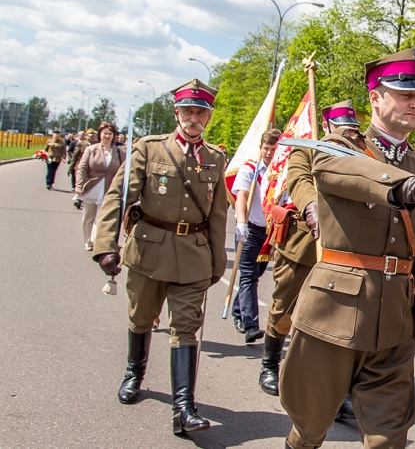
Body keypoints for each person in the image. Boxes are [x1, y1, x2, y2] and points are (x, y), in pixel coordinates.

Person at [278, 48, 415, 449]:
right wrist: (407, 187)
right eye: (404, 94)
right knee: (310, 428)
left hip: (394, 326)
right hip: (333, 317)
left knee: (389, 438)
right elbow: (340, 172)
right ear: (375, 98)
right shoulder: (339, 148)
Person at [92, 78, 227, 435]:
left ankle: (184, 407)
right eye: (188, 111)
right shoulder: (149, 149)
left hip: (194, 257)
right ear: (176, 112)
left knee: (186, 328)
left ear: (209, 117)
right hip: (149, 251)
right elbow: (118, 198)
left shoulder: (216, 158)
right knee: (141, 318)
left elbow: (217, 215)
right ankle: (134, 373)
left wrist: (217, 262)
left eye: (201, 112)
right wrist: (106, 245)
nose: (194, 118)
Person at [258, 100, 359, 424]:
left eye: (353, 129)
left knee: (338, 321)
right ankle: (270, 364)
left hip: (344, 250)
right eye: (342, 129)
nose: (348, 134)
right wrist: (312, 206)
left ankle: (338, 393)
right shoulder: (307, 149)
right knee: (284, 309)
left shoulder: (362, 154)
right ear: (328, 127)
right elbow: (298, 180)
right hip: (304, 243)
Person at [230, 129, 280, 344]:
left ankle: (238, 310)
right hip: (249, 229)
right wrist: (241, 222)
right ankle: (251, 325)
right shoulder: (250, 169)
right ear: (261, 148)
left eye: (273, 149)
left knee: (255, 274)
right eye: (266, 149)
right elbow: (241, 196)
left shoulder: (279, 173)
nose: (269, 153)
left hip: (268, 232)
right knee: (249, 275)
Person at [75, 122, 126, 251]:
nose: (107, 136)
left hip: (109, 189)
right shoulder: (91, 150)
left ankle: (96, 240)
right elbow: (82, 168)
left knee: (102, 216)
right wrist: (79, 185)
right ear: (100, 135)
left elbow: (124, 170)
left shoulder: (119, 152)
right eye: (105, 133)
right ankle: (87, 240)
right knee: (89, 216)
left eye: (110, 133)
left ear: (114, 136)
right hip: (92, 187)